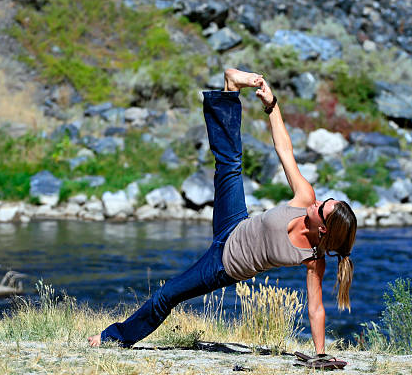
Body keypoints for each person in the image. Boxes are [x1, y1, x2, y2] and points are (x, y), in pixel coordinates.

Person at [88, 69, 357, 356]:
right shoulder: (305, 198)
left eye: (322, 209)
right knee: (229, 162)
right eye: (324, 200)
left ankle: (113, 338)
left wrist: (320, 355)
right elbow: (284, 151)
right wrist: (271, 105)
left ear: (324, 229)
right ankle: (230, 88)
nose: (317, 203)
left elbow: (315, 308)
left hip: (222, 266)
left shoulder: (314, 259)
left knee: (165, 296)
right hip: (235, 222)